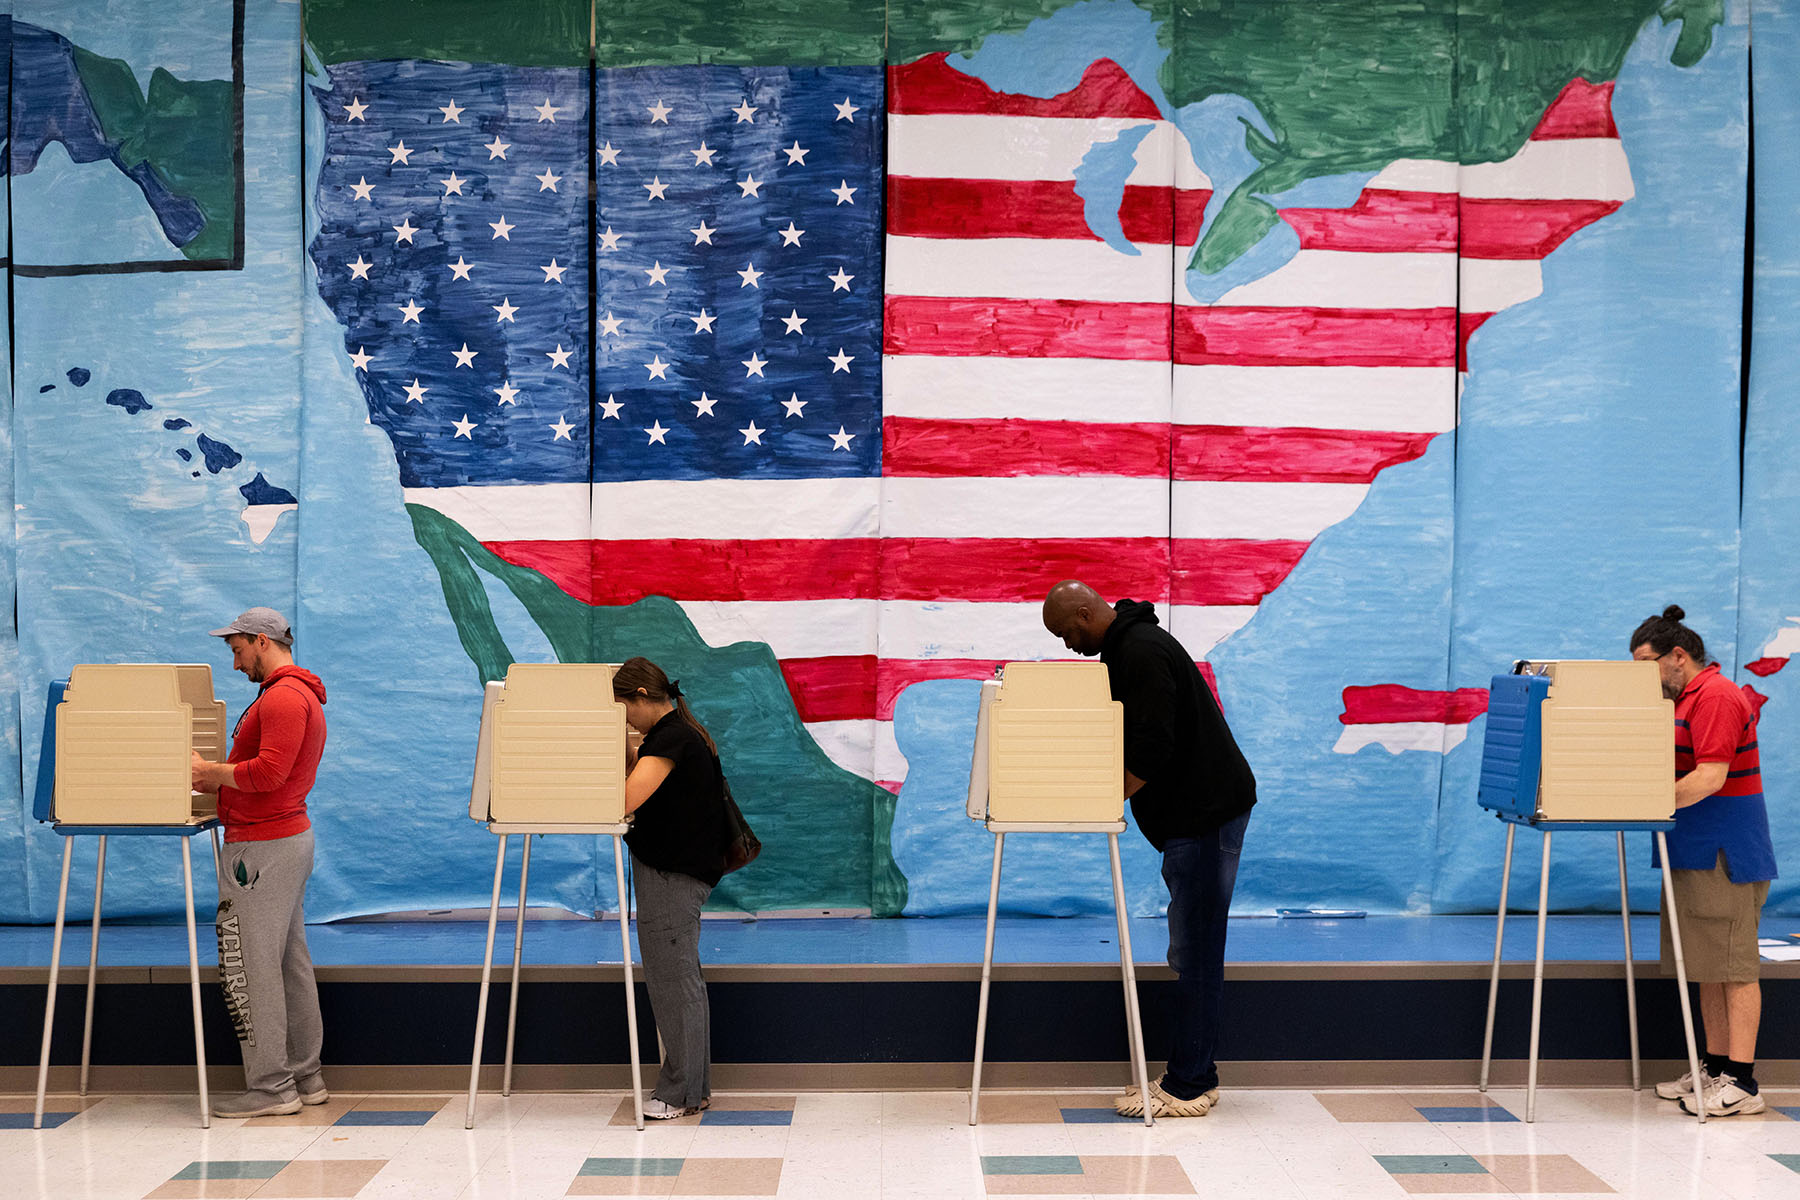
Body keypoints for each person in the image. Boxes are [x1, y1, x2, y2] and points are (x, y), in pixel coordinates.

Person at [1041, 580, 1257, 1118]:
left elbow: (1154, 746)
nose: (1067, 644)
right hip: (1197, 815)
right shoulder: (1130, 647)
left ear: (1087, 613)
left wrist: (1100, 796)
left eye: (1066, 632)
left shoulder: (1138, 650)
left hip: (1204, 815)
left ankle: (1190, 1085)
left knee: (1198, 952)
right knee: (1192, 950)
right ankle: (1189, 1072)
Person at [1630, 605, 1776, 1117]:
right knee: (1707, 968)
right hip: (1692, 848)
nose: (1641, 676)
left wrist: (1647, 800)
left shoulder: (1714, 696)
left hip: (1724, 853)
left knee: (1735, 968)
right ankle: (1715, 1067)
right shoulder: (1683, 699)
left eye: (1646, 663)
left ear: (1677, 656)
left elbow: (1710, 777)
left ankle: (1744, 1083)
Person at [189, 607, 330, 1119]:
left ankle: (271, 1089)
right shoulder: (294, 694)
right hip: (281, 842)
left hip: (261, 848)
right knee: (287, 959)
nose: (235, 663)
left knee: (250, 964)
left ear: (262, 641)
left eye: (237, 650)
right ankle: (305, 1076)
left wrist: (212, 772)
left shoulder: (286, 699)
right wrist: (221, 778)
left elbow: (269, 774)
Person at [614, 657, 728, 1120]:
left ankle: (678, 1092)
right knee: (682, 981)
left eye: (623, 707)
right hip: (679, 872)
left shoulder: (670, 739)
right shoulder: (683, 731)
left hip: (670, 874)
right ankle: (692, 1090)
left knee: (672, 982)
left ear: (642, 696)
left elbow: (623, 798)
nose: (623, 717)